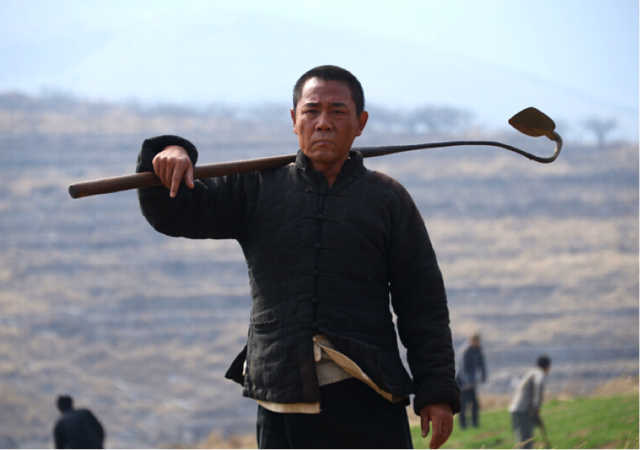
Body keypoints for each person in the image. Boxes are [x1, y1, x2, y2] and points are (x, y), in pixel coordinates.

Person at [137, 65, 460, 449]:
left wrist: (436, 391)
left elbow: (422, 304)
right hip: (282, 399)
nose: (323, 123)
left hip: (370, 396)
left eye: (338, 112)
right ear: (294, 120)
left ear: (361, 123)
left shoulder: (388, 200)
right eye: (312, 111)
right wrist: (170, 152)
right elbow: (174, 213)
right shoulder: (256, 187)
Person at [508, 356, 551, 449]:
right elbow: (539, 386)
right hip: (524, 411)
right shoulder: (539, 374)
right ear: (547, 367)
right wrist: (536, 408)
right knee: (526, 443)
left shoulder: (531, 373)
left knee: (520, 442)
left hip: (515, 410)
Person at [455, 332, 487, 429]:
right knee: (463, 404)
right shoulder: (466, 351)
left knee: (474, 404)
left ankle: (475, 424)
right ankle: (463, 426)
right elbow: (463, 369)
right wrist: (467, 382)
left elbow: (482, 364)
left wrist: (483, 376)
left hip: (472, 381)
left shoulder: (478, 351)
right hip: (462, 381)